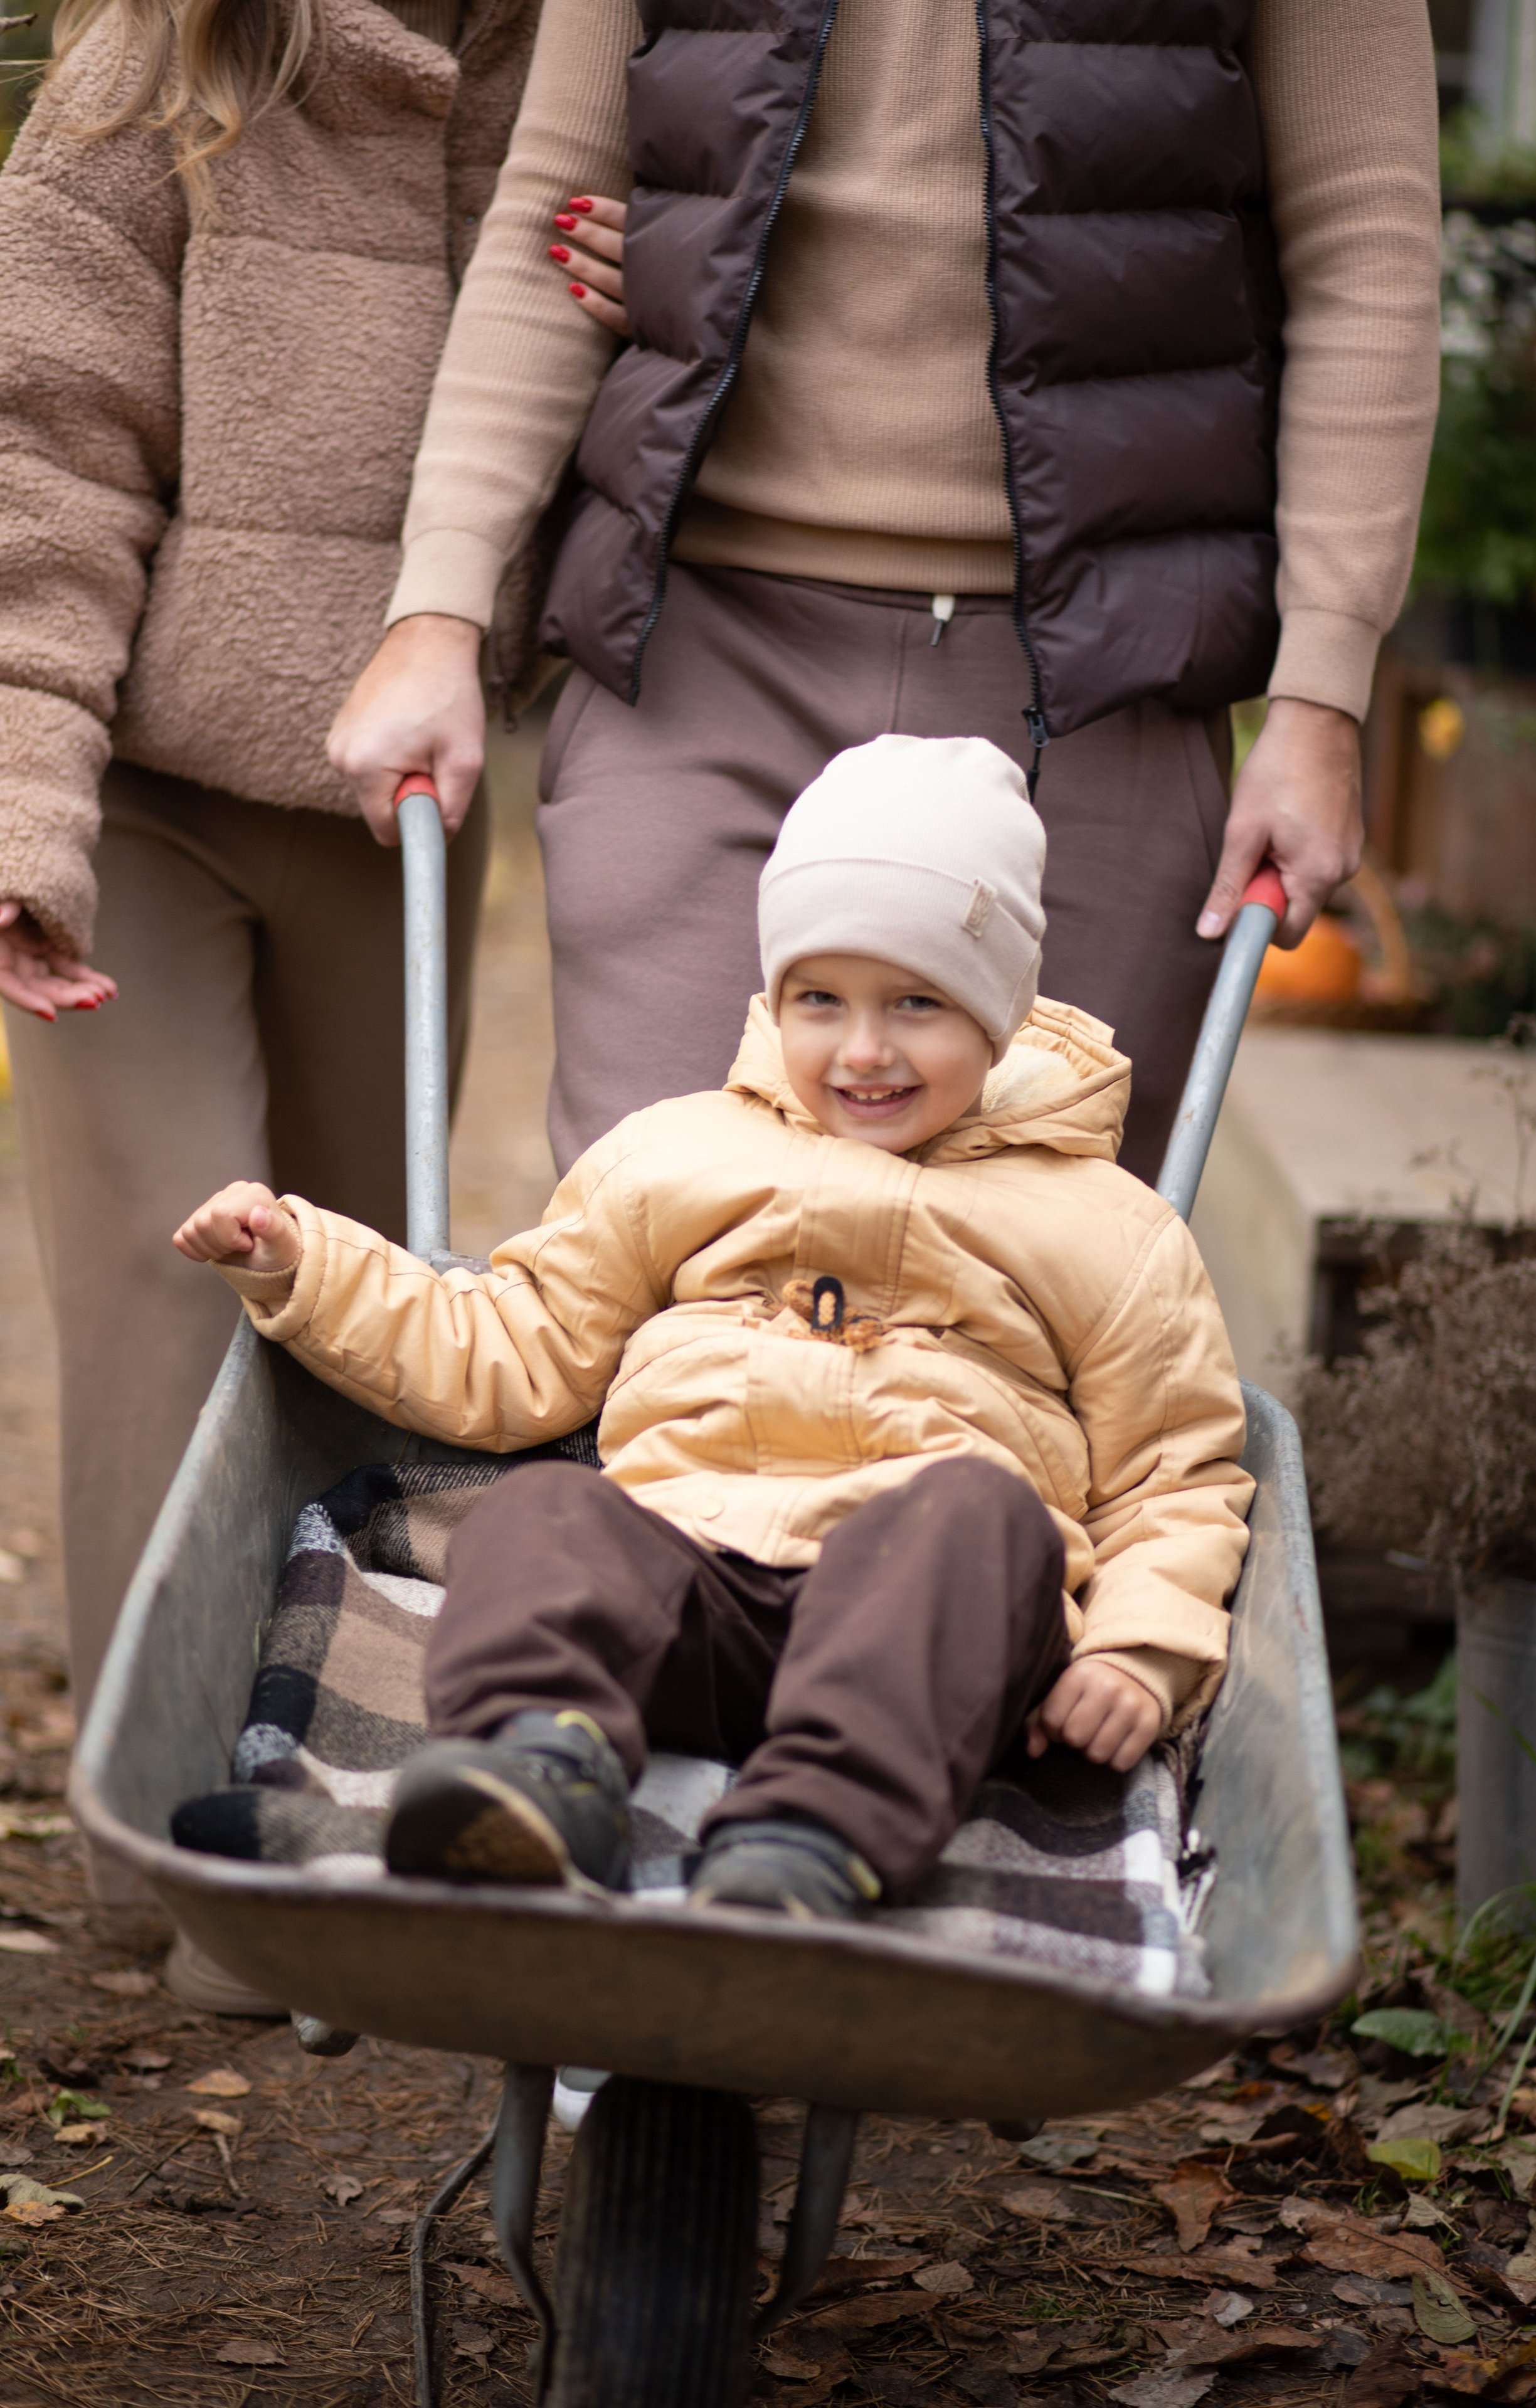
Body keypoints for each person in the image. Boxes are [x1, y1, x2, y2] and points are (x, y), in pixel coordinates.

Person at [328, 0, 1443, 1188]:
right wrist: (439, 605)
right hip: (703, 654)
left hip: (1098, 685)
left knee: (1035, 1294)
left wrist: (1324, 689)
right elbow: (550, 207)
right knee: (661, 1259)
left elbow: (1365, 248)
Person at [172, 735, 1253, 1917]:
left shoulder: (1109, 1227)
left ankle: (810, 1834)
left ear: (999, 1017)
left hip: (922, 1632)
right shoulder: (678, 1153)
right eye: (821, 999)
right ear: (774, 994)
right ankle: (539, 1767)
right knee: (543, 1514)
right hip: (686, 1584)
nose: (865, 1049)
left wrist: (1139, 1650)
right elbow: (517, 1346)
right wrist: (307, 1265)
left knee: (988, 1524)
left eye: (919, 1004)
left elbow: (1174, 1479)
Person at [0, 0, 625, 1933]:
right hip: (140, 812)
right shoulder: (174, 65)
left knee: (356, 1315)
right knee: (173, 1300)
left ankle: (320, 1826)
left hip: (398, 817)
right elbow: (40, 446)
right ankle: (174, 1872)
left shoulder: (592, 71)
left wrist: (667, 290)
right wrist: (24, 808)